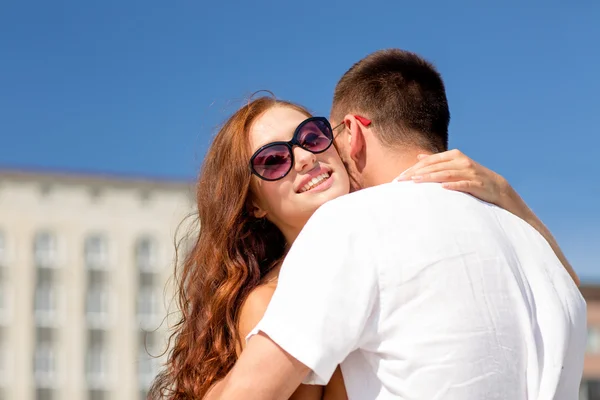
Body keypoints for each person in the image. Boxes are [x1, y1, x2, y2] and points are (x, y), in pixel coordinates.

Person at [203, 49, 587, 400]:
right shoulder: (541, 254)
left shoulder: (352, 227)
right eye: (273, 160)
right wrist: (509, 197)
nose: (304, 157)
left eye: (315, 136)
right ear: (252, 202)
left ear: (349, 135)